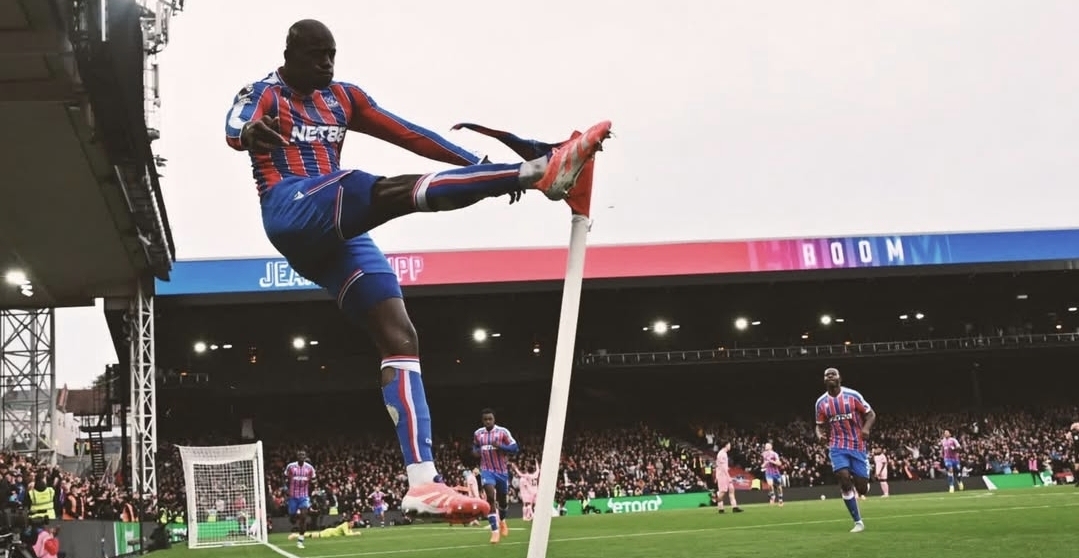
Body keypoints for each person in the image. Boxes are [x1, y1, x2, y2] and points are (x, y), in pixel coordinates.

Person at [224, 19, 610, 522]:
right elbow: (235, 124)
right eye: (318, 55)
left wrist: (474, 164)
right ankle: (536, 173)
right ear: (290, 54)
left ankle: (421, 482)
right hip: (291, 207)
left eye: (333, 55)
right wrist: (247, 132)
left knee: (400, 333)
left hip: (335, 234)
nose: (328, 64)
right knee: (370, 187)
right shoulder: (265, 94)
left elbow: (410, 135)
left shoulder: (344, 97)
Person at [815, 367, 876, 533]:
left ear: (840, 378)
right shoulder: (821, 403)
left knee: (862, 488)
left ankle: (863, 485)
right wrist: (820, 435)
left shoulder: (853, 396)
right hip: (837, 445)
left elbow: (871, 415)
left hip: (857, 445)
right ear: (824, 380)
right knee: (843, 478)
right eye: (826, 375)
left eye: (833, 374)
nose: (830, 377)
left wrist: (866, 429)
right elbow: (819, 426)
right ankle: (858, 522)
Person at [472, 408, 519, 543]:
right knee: (490, 498)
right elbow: (475, 447)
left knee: (502, 501)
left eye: (490, 419)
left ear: (494, 419)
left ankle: (502, 520)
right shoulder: (478, 434)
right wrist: (475, 452)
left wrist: (501, 446)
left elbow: (515, 448)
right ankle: (494, 531)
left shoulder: (502, 432)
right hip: (486, 470)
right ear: (482, 420)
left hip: (501, 472)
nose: (488, 421)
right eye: (485, 419)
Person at [284, 451, 316, 549]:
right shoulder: (291, 467)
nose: (301, 457)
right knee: (292, 518)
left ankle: (300, 541)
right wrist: (286, 490)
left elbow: (314, 481)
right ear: (297, 457)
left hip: (304, 496)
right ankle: (293, 516)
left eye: (303, 455)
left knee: (303, 517)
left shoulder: (310, 468)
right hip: (293, 496)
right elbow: (285, 478)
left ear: (305, 457)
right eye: (299, 455)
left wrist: (311, 494)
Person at [714, 441, 743, 514]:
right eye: (729, 445)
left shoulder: (724, 454)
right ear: (726, 445)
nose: (730, 446)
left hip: (724, 474)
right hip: (722, 475)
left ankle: (734, 507)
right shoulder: (721, 454)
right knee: (722, 492)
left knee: (731, 489)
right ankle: (718, 504)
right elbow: (723, 468)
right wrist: (728, 477)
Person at [288, 521, 361, 540]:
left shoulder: (349, 527)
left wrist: (354, 533)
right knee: (313, 535)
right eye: (352, 523)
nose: (353, 524)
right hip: (329, 533)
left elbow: (350, 533)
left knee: (313, 535)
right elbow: (347, 534)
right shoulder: (345, 525)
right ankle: (296, 535)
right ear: (349, 522)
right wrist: (356, 534)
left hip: (330, 532)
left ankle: (297, 535)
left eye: (353, 523)